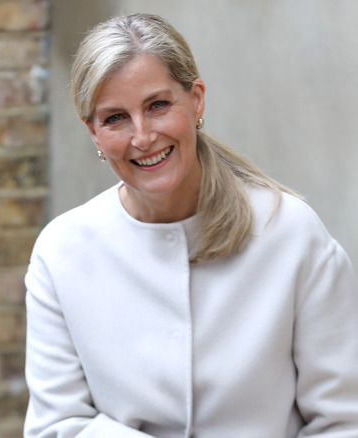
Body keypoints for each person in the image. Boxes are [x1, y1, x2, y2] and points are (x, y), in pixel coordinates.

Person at [24, 13, 358, 437]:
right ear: (92, 131)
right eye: (115, 118)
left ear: (196, 100)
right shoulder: (61, 252)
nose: (142, 137)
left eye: (158, 106)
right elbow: (57, 426)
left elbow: (345, 421)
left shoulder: (291, 233)